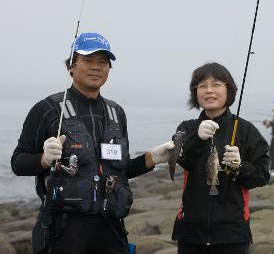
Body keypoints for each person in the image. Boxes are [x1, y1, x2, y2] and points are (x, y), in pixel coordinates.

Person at [11, 32, 174, 254]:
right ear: (71, 66)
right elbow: (18, 163)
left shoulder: (116, 113)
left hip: (111, 230)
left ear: (109, 69)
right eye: (88, 60)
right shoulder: (47, 110)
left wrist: (151, 158)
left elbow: (119, 171)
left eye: (103, 62)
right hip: (62, 231)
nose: (96, 67)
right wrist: (43, 159)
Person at [171, 62, 270, 254]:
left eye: (216, 84)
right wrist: (197, 139)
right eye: (202, 86)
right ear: (195, 93)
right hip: (191, 233)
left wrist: (240, 167)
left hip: (232, 234)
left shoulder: (245, 130)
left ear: (228, 89)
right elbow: (181, 159)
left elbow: (262, 175)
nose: (209, 91)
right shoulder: (187, 128)